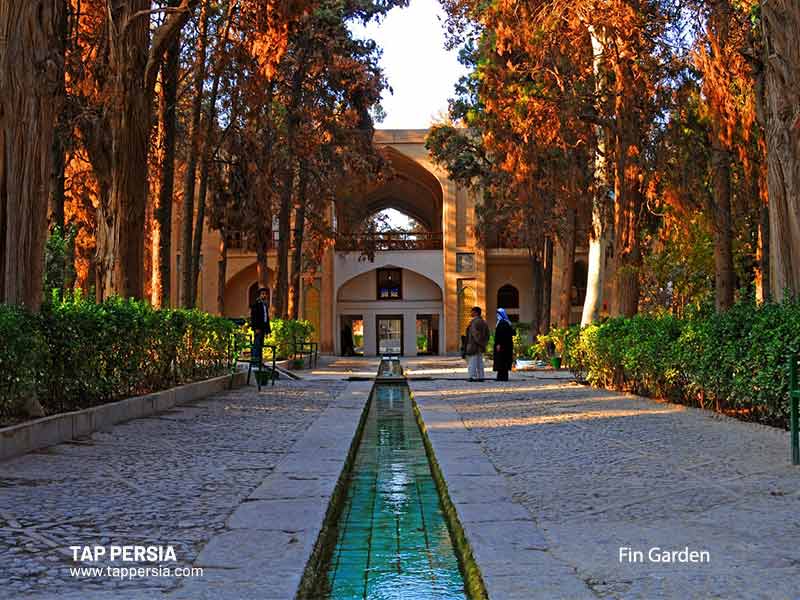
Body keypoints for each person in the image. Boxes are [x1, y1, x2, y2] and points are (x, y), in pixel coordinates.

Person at [465, 306, 490, 382]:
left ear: (475, 312)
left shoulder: (474, 322)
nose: (471, 313)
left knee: (472, 362)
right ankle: (481, 377)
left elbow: (475, 335)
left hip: (474, 345)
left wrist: (478, 342)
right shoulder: (483, 322)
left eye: (472, 311)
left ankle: (472, 377)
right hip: (480, 346)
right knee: (480, 362)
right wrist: (483, 343)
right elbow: (487, 334)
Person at [493, 308, 515, 381]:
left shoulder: (502, 323)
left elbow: (500, 335)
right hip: (507, 346)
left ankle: (501, 377)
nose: (497, 315)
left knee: (501, 361)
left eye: (498, 314)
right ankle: (504, 377)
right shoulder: (507, 322)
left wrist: (499, 344)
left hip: (502, 346)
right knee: (504, 361)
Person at [250, 287, 271, 364]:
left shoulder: (264, 305)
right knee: (257, 344)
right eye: (263, 294)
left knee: (261, 344)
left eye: (265, 294)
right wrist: (256, 328)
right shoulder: (256, 304)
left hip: (263, 328)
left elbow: (266, 318)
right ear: (259, 295)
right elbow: (254, 317)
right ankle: (255, 361)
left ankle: (259, 360)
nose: (264, 295)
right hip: (258, 328)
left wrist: (268, 330)